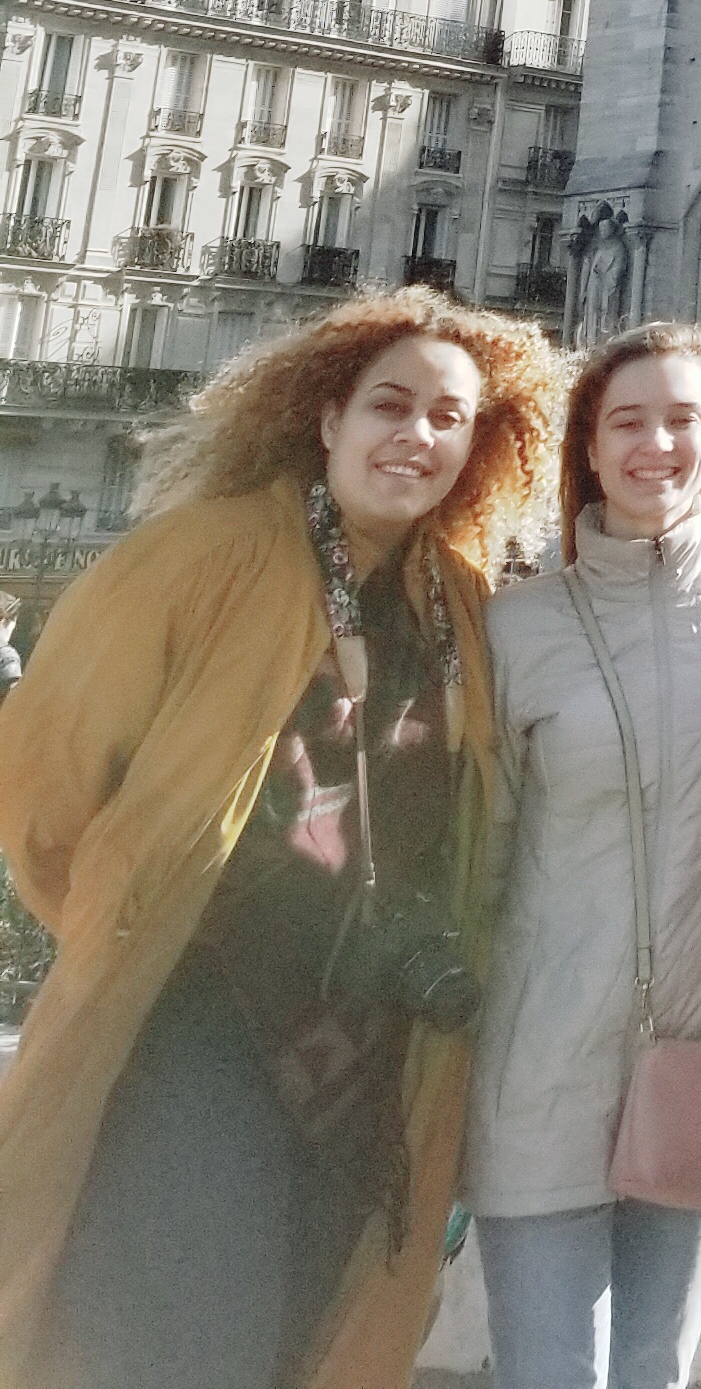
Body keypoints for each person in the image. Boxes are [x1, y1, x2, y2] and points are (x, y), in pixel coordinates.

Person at [0, 284, 564, 1389]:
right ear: (326, 419)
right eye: (389, 407)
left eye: (449, 418)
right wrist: (129, 918)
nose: (417, 437)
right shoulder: (198, 557)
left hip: (371, 1043)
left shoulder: (462, 601)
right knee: (177, 1335)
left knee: (309, 1326)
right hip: (199, 1026)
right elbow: (42, 786)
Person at [468, 319, 701, 1389]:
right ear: (588, 443)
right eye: (628, 421)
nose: (655, 445)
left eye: (682, 420)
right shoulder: (513, 626)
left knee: (657, 1373)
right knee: (550, 1374)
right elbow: (475, 850)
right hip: (540, 1059)